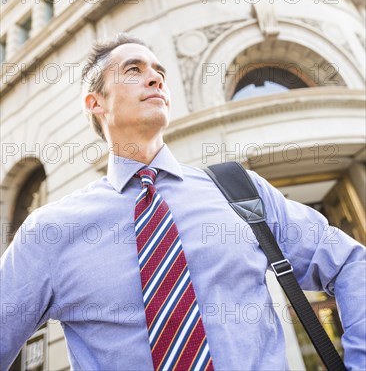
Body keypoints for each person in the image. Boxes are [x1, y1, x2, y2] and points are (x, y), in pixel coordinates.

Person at [1, 32, 365, 371]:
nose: (156, 78)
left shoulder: (240, 189)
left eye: (159, 71)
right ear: (95, 102)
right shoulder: (49, 230)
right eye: (133, 70)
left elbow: (351, 263)